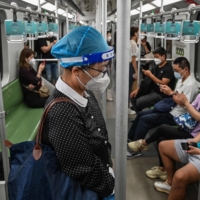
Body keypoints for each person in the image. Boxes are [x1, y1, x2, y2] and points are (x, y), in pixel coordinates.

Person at [41, 26, 115, 198]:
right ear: (76, 71)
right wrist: (110, 186)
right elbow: (82, 168)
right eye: (101, 69)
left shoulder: (84, 91)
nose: (104, 74)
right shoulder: (62, 112)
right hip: (90, 189)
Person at [127, 57, 198, 159]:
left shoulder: (191, 85)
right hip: (170, 108)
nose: (175, 73)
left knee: (145, 120)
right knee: (141, 114)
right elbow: (176, 95)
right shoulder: (181, 79)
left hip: (177, 116)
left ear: (185, 69)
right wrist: (169, 91)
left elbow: (185, 105)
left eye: (177, 70)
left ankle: (136, 150)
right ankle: (131, 140)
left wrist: (170, 93)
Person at [128, 93, 200, 180]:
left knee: (163, 128)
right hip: (187, 127)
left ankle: (144, 143)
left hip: (194, 134)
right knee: (161, 138)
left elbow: (198, 117)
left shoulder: (191, 84)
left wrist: (186, 104)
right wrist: (183, 103)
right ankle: (163, 170)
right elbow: (190, 108)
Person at [154, 94, 200, 198]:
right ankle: (170, 183)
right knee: (163, 145)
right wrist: (193, 141)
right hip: (197, 144)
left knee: (180, 176)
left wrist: (198, 151)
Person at [130, 47, 175, 113]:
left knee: (139, 102)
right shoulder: (157, 67)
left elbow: (163, 83)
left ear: (163, 56)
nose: (155, 59)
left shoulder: (168, 69)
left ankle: (141, 116)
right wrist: (138, 90)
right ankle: (139, 116)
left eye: (157, 57)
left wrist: (151, 75)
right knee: (133, 97)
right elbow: (146, 80)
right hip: (151, 90)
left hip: (160, 94)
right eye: (154, 57)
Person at [128, 26, 139, 115]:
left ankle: (127, 106)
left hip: (130, 66)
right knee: (129, 87)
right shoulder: (133, 43)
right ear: (135, 33)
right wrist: (136, 71)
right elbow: (133, 59)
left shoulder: (132, 42)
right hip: (131, 66)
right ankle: (127, 107)